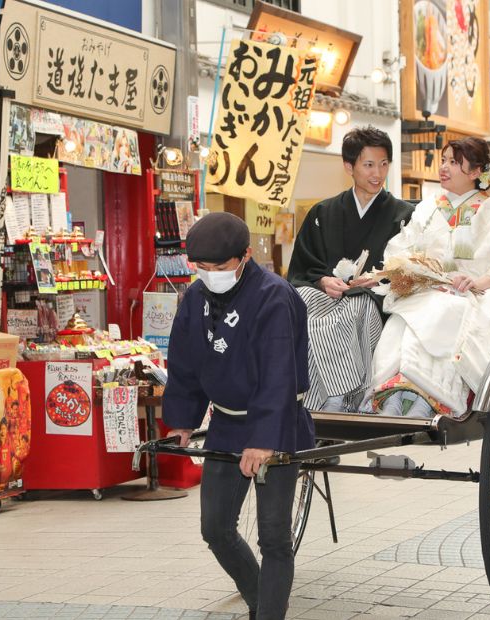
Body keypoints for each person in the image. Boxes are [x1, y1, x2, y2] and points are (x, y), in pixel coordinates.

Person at [163, 212, 315, 620]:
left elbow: (279, 373)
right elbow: (185, 364)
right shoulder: (194, 298)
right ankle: (260, 600)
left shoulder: (274, 296)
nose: (211, 275)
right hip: (227, 424)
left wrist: (264, 439)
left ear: (245, 256)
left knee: (274, 539)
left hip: (278, 423)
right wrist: (182, 420)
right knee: (215, 528)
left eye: (220, 267)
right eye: (203, 268)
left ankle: (269, 614)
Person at [368, 137, 490, 418]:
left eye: (454, 162)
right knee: (402, 320)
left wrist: (480, 282)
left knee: (445, 311)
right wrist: (412, 269)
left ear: (476, 171)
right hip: (428, 289)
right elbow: (402, 245)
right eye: (443, 160)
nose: (444, 167)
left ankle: (430, 399)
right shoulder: (428, 206)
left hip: (475, 293)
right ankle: (395, 393)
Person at [287, 126, 414, 411]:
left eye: (384, 165)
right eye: (369, 165)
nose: (377, 174)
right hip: (328, 294)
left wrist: (377, 280)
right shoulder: (323, 212)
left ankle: (337, 397)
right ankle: (313, 397)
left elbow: (409, 267)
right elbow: (302, 266)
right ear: (349, 166)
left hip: (374, 300)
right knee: (301, 302)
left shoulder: (404, 215)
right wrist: (321, 281)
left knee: (353, 311)